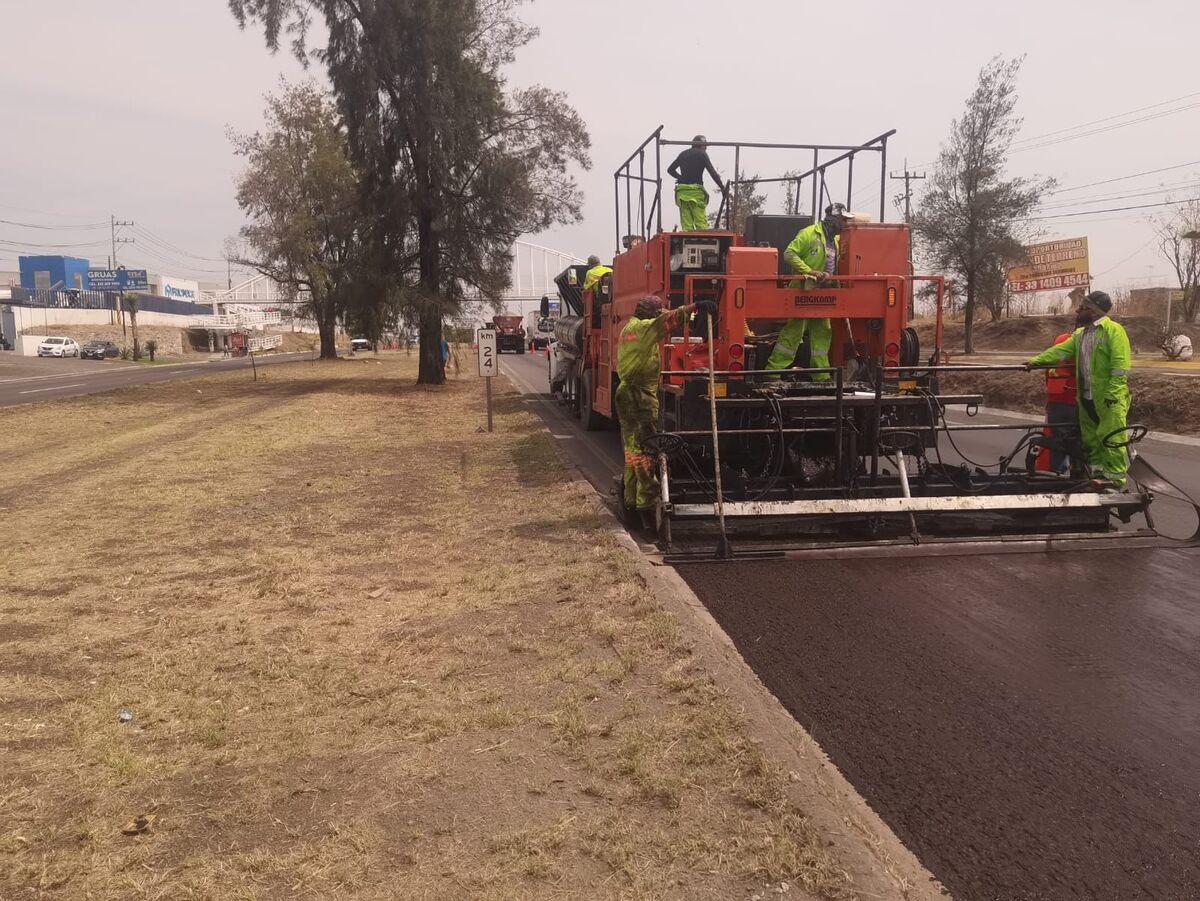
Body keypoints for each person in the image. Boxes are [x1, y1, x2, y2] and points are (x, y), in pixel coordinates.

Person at [615, 295, 713, 526]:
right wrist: (696, 306)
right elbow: (667, 321)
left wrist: (689, 313)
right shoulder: (645, 329)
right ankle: (647, 504)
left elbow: (665, 318)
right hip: (639, 396)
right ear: (652, 314)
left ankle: (630, 500)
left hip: (627, 393)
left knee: (632, 449)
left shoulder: (629, 328)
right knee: (646, 450)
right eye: (659, 311)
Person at [1027, 291, 1132, 487]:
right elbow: (1060, 351)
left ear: (1094, 310)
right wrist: (1035, 361)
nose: (1078, 310)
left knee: (1111, 439)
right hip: (1087, 397)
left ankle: (1115, 481)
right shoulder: (1081, 335)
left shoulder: (1114, 331)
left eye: (1083, 307)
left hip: (1109, 398)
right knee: (1091, 439)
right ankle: (1096, 476)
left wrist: (1113, 392)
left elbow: (1120, 365)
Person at [765, 203, 853, 380]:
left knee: (823, 332)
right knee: (794, 332)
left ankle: (821, 376)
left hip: (824, 295)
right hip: (803, 293)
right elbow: (789, 254)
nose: (845, 224)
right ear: (833, 219)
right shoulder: (809, 233)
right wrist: (809, 271)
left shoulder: (836, 241)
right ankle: (772, 372)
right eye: (843, 220)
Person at [1038, 326, 1079, 474]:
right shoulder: (1077, 342)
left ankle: (1056, 473)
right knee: (1076, 440)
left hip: (1055, 396)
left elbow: (1047, 372)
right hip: (1072, 396)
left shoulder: (1060, 340)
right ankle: (1077, 472)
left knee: (1057, 439)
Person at [666, 135, 725, 231]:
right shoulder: (702, 154)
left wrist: (681, 178)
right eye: (705, 145)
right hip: (696, 192)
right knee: (700, 223)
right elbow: (712, 173)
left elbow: (670, 170)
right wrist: (722, 187)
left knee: (686, 224)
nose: (706, 148)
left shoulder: (683, 154)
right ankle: (703, 239)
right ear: (700, 145)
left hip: (682, 192)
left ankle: (687, 238)